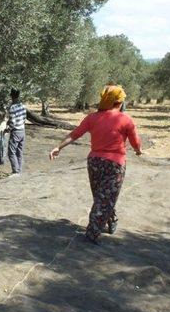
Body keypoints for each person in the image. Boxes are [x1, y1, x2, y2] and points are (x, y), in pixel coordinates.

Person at [49, 85, 142, 245]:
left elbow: (75, 134)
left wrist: (59, 147)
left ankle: (111, 220)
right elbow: (135, 142)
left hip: (94, 163)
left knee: (101, 196)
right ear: (119, 102)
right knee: (105, 198)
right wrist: (138, 151)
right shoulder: (125, 120)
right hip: (115, 164)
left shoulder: (92, 118)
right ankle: (92, 234)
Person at [7, 88, 27, 175]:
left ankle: (15, 171)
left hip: (15, 131)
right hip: (22, 130)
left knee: (11, 152)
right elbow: (23, 118)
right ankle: (19, 170)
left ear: (12, 96)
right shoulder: (23, 106)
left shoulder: (12, 108)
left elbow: (13, 122)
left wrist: (8, 129)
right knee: (19, 151)